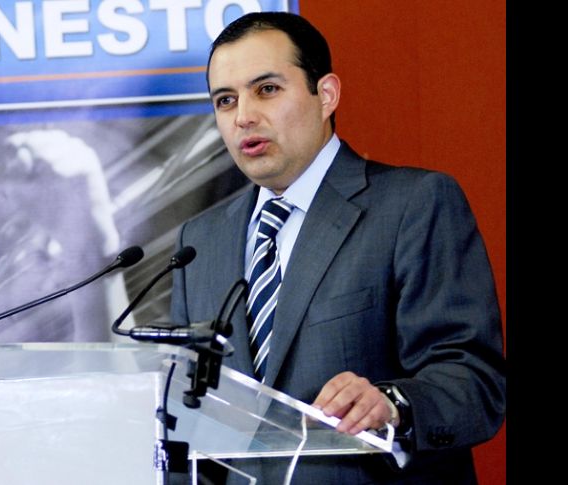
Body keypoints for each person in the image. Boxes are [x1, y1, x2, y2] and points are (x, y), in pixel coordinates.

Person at [170, 11, 505, 484]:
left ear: (326, 95)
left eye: (267, 89)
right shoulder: (199, 242)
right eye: (226, 100)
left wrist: (392, 404)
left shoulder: (413, 205)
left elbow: (473, 381)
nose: (243, 116)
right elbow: (188, 411)